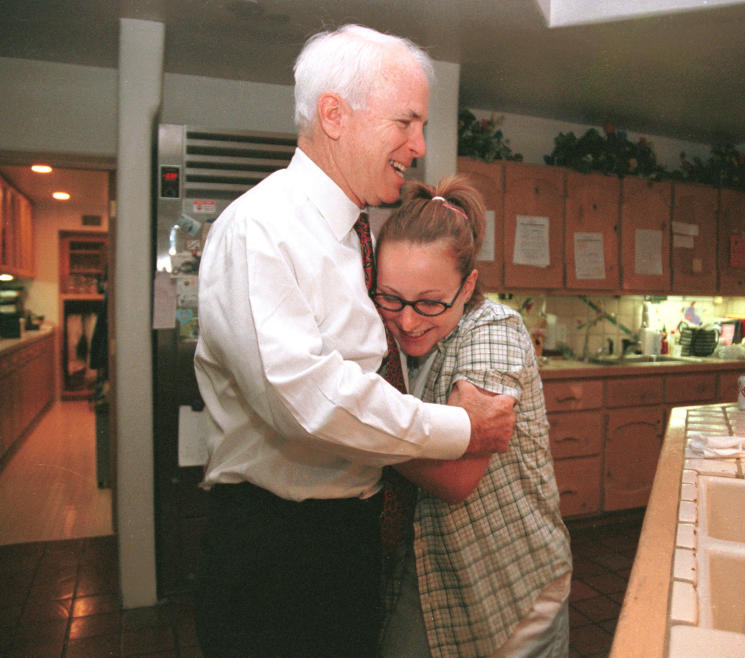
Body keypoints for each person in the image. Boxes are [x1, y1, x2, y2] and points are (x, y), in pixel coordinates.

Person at [192, 25, 516, 657]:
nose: (418, 147)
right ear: (334, 115)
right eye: (406, 122)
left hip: (344, 540)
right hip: (279, 555)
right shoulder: (263, 228)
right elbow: (305, 400)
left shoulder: (354, 236)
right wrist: (460, 428)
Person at [374, 176, 573, 657]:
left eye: (429, 302)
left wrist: (343, 430)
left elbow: (458, 475)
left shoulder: (494, 330)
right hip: (429, 576)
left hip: (512, 587)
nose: (407, 320)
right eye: (391, 297)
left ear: (468, 287)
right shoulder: (395, 338)